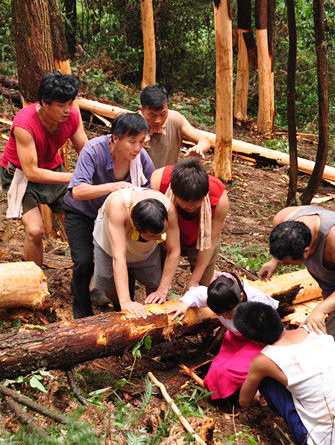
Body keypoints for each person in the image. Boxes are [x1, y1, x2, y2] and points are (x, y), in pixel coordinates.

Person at [258, 206, 335, 381]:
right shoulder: (283, 220)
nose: (284, 266)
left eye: (289, 263)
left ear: (307, 252)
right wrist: (275, 261)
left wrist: (320, 309)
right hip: (333, 281)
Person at [235, 301, 335, 445]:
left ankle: (300, 427)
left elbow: (243, 401)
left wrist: (258, 389)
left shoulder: (264, 360)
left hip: (323, 443)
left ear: (254, 340)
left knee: (266, 381)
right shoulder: (313, 327)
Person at [63, 112, 156, 318]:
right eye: (132, 142)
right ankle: (81, 313)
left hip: (117, 218)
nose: (137, 148)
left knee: (124, 258)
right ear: (115, 137)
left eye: (142, 142)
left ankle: (123, 309)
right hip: (83, 213)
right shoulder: (93, 150)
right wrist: (114, 187)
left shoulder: (141, 158)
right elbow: (77, 191)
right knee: (84, 261)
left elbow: (151, 189)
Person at [0, 72, 87, 266]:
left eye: (70, 103)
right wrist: (73, 177)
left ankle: (86, 277)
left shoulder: (73, 115)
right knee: (34, 230)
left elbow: (84, 149)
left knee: (76, 224)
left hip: (54, 170)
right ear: (45, 103)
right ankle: (36, 279)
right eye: (61, 105)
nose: (67, 110)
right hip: (21, 176)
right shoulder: (24, 124)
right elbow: (31, 172)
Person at [171, 272, 278, 408]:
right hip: (235, 340)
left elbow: (274, 333)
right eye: (220, 313)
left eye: (229, 312)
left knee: (227, 372)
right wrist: (183, 304)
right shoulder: (216, 297)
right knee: (214, 373)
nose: (226, 316)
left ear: (240, 298)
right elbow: (196, 293)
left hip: (258, 342)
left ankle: (258, 392)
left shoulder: (258, 302)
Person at [92, 187, 180, 318]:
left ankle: (154, 314)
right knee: (108, 284)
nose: (161, 238)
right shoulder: (118, 207)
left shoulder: (168, 208)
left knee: (154, 281)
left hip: (145, 251)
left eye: (163, 232)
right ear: (137, 229)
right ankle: (118, 309)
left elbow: (174, 251)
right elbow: (119, 257)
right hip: (110, 247)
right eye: (154, 235)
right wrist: (125, 301)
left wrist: (162, 291)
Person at [151, 158, 228, 291]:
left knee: (202, 286)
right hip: (165, 235)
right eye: (185, 201)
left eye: (196, 202)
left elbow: (209, 242)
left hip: (203, 239)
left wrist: (194, 281)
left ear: (205, 195)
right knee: (155, 278)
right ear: (174, 192)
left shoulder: (220, 200)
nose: (190, 206)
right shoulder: (158, 182)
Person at [139, 85, 211, 168]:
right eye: (152, 115)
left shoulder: (175, 119)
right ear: (142, 110)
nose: (158, 120)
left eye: (163, 114)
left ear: (167, 106)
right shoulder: (132, 124)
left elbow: (204, 141)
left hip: (168, 178)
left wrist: (199, 148)